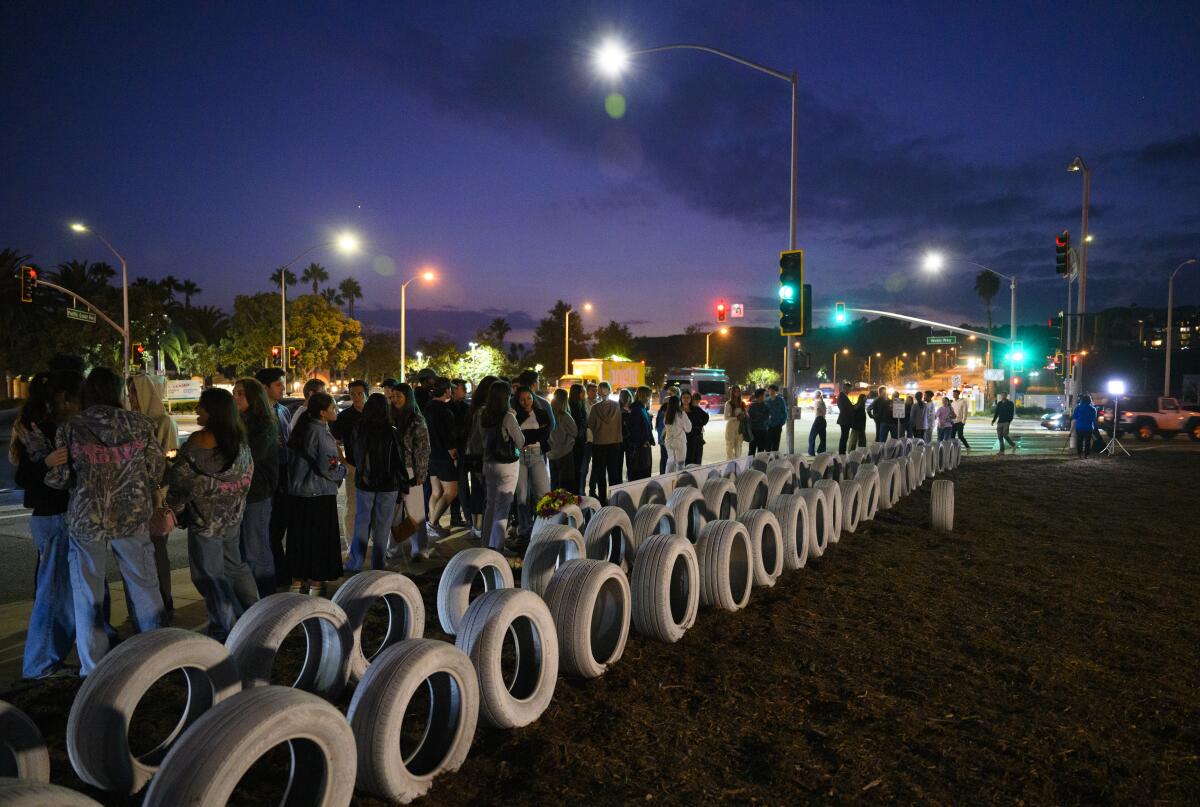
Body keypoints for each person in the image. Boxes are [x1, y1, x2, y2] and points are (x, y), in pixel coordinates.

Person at [46, 368, 166, 676]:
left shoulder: (71, 427)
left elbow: (60, 479)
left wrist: (50, 468)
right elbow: (156, 469)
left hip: (89, 518)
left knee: (87, 592)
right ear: (117, 392)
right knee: (144, 586)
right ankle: (158, 656)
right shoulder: (140, 424)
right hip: (131, 516)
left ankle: (94, 669)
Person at [166, 388, 256, 641]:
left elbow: (180, 481)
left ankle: (223, 627)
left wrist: (174, 510)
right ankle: (257, 614)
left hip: (204, 521)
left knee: (208, 575)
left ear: (212, 412)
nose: (196, 411)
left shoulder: (197, 442)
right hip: (232, 517)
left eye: (201, 407)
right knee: (235, 567)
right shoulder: (240, 442)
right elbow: (247, 479)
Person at [11, 370, 80, 679]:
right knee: (53, 596)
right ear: (61, 399)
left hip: (54, 518)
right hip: (55, 519)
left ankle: (47, 661)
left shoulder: (37, 429)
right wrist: (47, 464)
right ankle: (39, 666)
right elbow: (24, 477)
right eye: (75, 398)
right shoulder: (44, 432)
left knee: (61, 594)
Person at [125, 374, 179, 624]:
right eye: (129, 392)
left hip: (156, 496)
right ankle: (141, 608)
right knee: (136, 555)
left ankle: (164, 603)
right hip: (134, 497)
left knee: (157, 553)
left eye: (135, 392)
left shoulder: (163, 421)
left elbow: (170, 458)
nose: (131, 397)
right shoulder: (128, 422)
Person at [285, 392, 346, 596]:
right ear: (322, 412)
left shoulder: (300, 430)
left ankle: (295, 582)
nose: (335, 410)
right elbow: (328, 467)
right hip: (318, 495)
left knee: (299, 541)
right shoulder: (321, 434)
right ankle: (316, 585)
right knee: (318, 543)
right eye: (332, 407)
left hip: (297, 495)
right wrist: (343, 470)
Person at [347, 394, 406, 571]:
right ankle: (378, 564)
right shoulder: (392, 431)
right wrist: (404, 484)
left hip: (365, 482)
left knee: (362, 522)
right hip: (388, 485)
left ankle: (356, 563)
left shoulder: (359, 428)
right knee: (382, 526)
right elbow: (399, 460)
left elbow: (354, 455)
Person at [234, 377, 280, 598]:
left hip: (257, 494)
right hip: (238, 495)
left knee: (257, 550)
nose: (235, 397)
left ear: (254, 397)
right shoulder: (237, 422)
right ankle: (250, 598)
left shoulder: (264, 425)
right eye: (235, 392)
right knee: (242, 551)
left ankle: (266, 597)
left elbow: (249, 455)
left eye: (240, 393)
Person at [255, 367, 291, 587]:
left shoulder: (282, 410)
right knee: (267, 530)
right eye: (278, 384)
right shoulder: (257, 415)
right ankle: (273, 574)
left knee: (279, 526)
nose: (283, 388)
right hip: (267, 477)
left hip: (284, 473)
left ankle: (280, 570)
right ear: (264, 387)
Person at [390, 383, 433, 560]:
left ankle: (420, 548)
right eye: (393, 396)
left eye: (399, 396)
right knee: (392, 512)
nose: (395, 400)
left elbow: (423, 449)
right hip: (392, 470)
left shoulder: (416, 419)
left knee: (415, 511)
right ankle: (392, 548)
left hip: (410, 470)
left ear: (408, 398)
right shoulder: (389, 417)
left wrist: (420, 474)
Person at [481, 380, 524, 552]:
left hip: (488, 462)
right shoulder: (508, 416)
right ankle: (497, 546)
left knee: (490, 504)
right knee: (502, 506)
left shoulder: (484, 415)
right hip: (506, 464)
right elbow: (520, 441)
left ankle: (486, 543)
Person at [514, 385, 552, 543]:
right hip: (520, 457)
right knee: (522, 495)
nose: (526, 402)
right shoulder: (515, 415)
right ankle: (524, 529)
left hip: (537, 455)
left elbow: (545, 433)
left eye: (529, 398)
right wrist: (533, 435)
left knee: (543, 492)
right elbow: (516, 436)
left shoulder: (541, 414)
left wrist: (527, 437)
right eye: (522, 399)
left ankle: (543, 526)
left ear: (533, 398)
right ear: (518, 400)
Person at [422, 378, 458, 538]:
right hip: (443, 456)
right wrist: (454, 455)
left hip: (430, 455)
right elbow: (449, 438)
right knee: (451, 491)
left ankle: (432, 524)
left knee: (436, 491)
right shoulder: (445, 411)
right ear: (446, 391)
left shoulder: (427, 408)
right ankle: (432, 523)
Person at [332, 379, 367, 540]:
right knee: (352, 506)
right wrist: (344, 463)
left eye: (360, 393)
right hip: (353, 467)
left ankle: (370, 541)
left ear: (366, 393)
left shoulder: (376, 413)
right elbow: (335, 442)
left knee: (372, 507)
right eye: (353, 394)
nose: (356, 397)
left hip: (375, 468)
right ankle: (352, 543)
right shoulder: (344, 417)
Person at [463, 376, 496, 540]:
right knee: (483, 491)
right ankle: (479, 526)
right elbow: (484, 437)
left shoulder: (474, 408)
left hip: (473, 456)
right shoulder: (484, 411)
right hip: (482, 456)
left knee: (476, 489)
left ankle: (476, 525)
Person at [588, 381, 624, 503]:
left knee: (600, 474)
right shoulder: (617, 406)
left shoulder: (594, 408)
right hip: (614, 443)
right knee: (613, 472)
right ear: (609, 390)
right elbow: (619, 424)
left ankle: (603, 499)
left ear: (599, 391)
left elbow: (590, 425)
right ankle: (615, 498)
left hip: (599, 444)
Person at [448, 379, 471, 528]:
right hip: (456, 450)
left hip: (462, 449)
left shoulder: (465, 406)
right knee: (459, 485)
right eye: (464, 389)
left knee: (460, 485)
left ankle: (459, 516)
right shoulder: (450, 408)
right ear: (455, 389)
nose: (466, 391)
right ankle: (459, 516)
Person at [548, 387, 578, 491]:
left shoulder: (548, 414)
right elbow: (575, 432)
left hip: (551, 453)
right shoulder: (564, 416)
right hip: (565, 453)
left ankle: (554, 504)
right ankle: (565, 506)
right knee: (566, 483)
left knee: (554, 482)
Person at [624, 386, 655, 480]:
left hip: (643, 445)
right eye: (649, 396)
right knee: (641, 474)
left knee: (643, 473)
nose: (650, 398)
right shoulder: (637, 409)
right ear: (644, 396)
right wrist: (643, 442)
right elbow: (635, 429)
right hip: (641, 447)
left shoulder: (641, 408)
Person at [660, 394, 691, 472]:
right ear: (678, 403)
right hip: (680, 442)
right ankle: (679, 481)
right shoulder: (681, 414)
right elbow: (688, 428)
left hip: (669, 441)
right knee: (680, 464)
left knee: (670, 461)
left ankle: (668, 479)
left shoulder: (666, 415)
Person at [568, 383, 589, 495]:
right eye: (582, 392)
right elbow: (579, 423)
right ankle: (576, 493)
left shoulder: (579, 404)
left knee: (579, 468)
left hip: (579, 440)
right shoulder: (574, 406)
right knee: (577, 468)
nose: (584, 394)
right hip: (577, 442)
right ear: (577, 393)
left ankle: (577, 492)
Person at [655, 385, 679, 474]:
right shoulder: (666, 413)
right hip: (667, 439)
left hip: (663, 440)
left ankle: (663, 475)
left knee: (664, 458)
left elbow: (658, 427)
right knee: (668, 459)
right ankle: (665, 476)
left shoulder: (661, 412)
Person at [682, 391, 709, 466]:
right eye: (684, 397)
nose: (686, 399)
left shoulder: (696, 409)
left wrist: (699, 426)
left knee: (697, 459)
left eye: (688, 397)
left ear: (691, 399)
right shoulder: (679, 410)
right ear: (681, 399)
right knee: (686, 460)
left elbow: (706, 417)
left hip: (696, 438)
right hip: (684, 439)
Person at [583, 381, 600, 496]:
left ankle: (592, 490)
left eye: (596, 390)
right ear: (587, 392)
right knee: (584, 467)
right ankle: (582, 490)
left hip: (598, 439)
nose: (594, 392)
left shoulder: (599, 404)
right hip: (586, 440)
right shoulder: (583, 404)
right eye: (592, 390)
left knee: (596, 467)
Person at [723, 385, 747, 459]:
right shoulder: (728, 403)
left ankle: (738, 463)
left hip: (740, 427)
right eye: (735, 391)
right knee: (730, 446)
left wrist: (744, 416)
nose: (737, 393)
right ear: (732, 393)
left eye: (738, 391)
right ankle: (730, 464)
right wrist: (736, 418)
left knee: (739, 446)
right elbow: (726, 417)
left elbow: (745, 414)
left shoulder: (742, 403)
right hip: (731, 427)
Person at [1072, 394, 1098, 458]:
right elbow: (1094, 419)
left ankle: (1079, 455)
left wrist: (1071, 430)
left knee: (1079, 441)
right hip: (1089, 427)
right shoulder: (1093, 409)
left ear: (1082, 400)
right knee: (1087, 442)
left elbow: (1075, 418)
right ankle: (1086, 455)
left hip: (1079, 427)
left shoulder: (1078, 408)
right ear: (1090, 400)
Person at [747, 389, 770, 455]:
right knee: (752, 450)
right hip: (753, 431)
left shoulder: (766, 406)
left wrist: (757, 418)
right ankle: (750, 464)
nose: (765, 396)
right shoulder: (752, 406)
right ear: (759, 396)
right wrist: (759, 418)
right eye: (764, 395)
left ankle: (760, 464)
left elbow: (766, 418)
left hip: (763, 431)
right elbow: (749, 418)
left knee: (761, 450)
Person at [766, 385, 788, 451]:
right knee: (767, 445)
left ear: (776, 391)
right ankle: (768, 459)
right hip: (768, 426)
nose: (771, 392)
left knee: (775, 444)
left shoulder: (781, 400)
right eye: (770, 390)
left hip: (777, 425)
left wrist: (781, 423)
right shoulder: (766, 401)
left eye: (773, 391)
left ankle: (775, 459)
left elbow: (784, 412)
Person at [835, 382, 854, 453]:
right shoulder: (842, 396)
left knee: (844, 437)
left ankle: (842, 452)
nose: (850, 391)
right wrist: (852, 408)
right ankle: (842, 452)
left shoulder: (843, 396)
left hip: (845, 419)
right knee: (844, 437)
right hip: (844, 420)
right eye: (849, 389)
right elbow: (844, 408)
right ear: (845, 388)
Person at [808, 391, 827, 455]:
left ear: (817, 395)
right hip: (823, 420)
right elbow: (824, 411)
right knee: (822, 438)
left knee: (811, 437)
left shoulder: (817, 402)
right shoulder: (823, 402)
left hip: (818, 419)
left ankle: (811, 452)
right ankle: (821, 451)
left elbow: (818, 409)